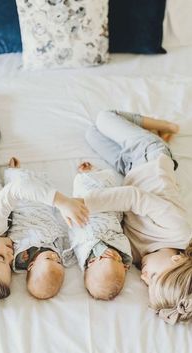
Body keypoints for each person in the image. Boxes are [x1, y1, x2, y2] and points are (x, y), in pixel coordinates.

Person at [0, 89, 89, 308]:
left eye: (1, 257)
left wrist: (63, 202)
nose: (11, 254)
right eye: (9, 263)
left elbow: (17, 189)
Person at [85, 109, 192, 324]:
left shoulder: (135, 257)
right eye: (152, 277)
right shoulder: (178, 230)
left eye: (146, 284)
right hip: (149, 157)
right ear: (177, 260)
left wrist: (92, 177)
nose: (143, 277)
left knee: (91, 134)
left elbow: (114, 221)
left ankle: (156, 133)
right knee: (104, 117)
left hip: (129, 170)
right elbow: (134, 197)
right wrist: (85, 203)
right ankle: (167, 127)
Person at [5, 157, 76, 300]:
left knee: (21, 189)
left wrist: (22, 252)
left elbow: (14, 240)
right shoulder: (60, 252)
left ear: (30, 265)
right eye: (58, 262)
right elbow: (70, 248)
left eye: (50, 259)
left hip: (26, 213)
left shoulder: (23, 255)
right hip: (45, 213)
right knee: (45, 193)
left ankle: (14, 171)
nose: (56, 257)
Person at [69, 161, 132, 300]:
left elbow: (81, 238)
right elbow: (123, 241)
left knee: (85, 191)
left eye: (107, 257)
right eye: (119, 261)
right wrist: (123, 259)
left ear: (90, 263)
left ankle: (86, 174)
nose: (116, 255)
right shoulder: (123, 254)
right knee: (111, 191)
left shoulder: (85, 252)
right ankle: (96, 171)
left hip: (88, 214)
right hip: (110, 215)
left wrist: (100, 248)